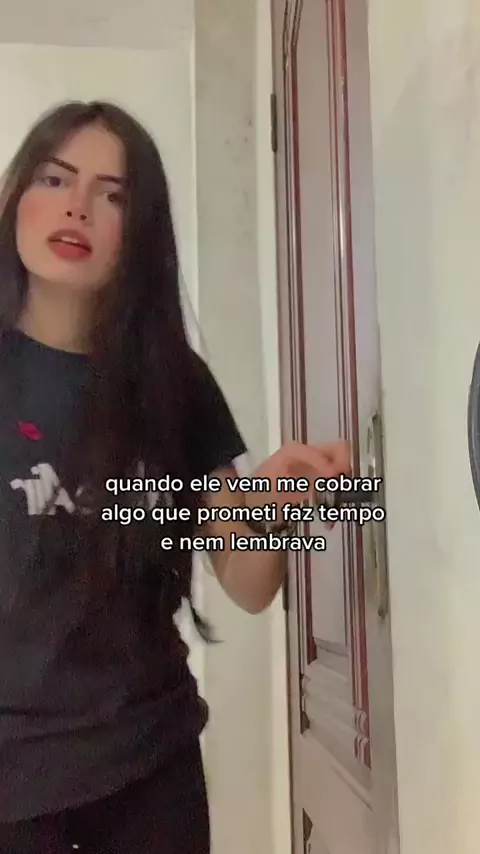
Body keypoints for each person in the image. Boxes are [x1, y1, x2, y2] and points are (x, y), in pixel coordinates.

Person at [0, 100, 350, 853]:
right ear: (16, 197)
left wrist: (274, 505)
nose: (77, 205)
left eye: (113, 194)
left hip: (147, 769)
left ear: (142, 232)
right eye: (55, 178)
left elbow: (248, 585)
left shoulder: (174, 383)